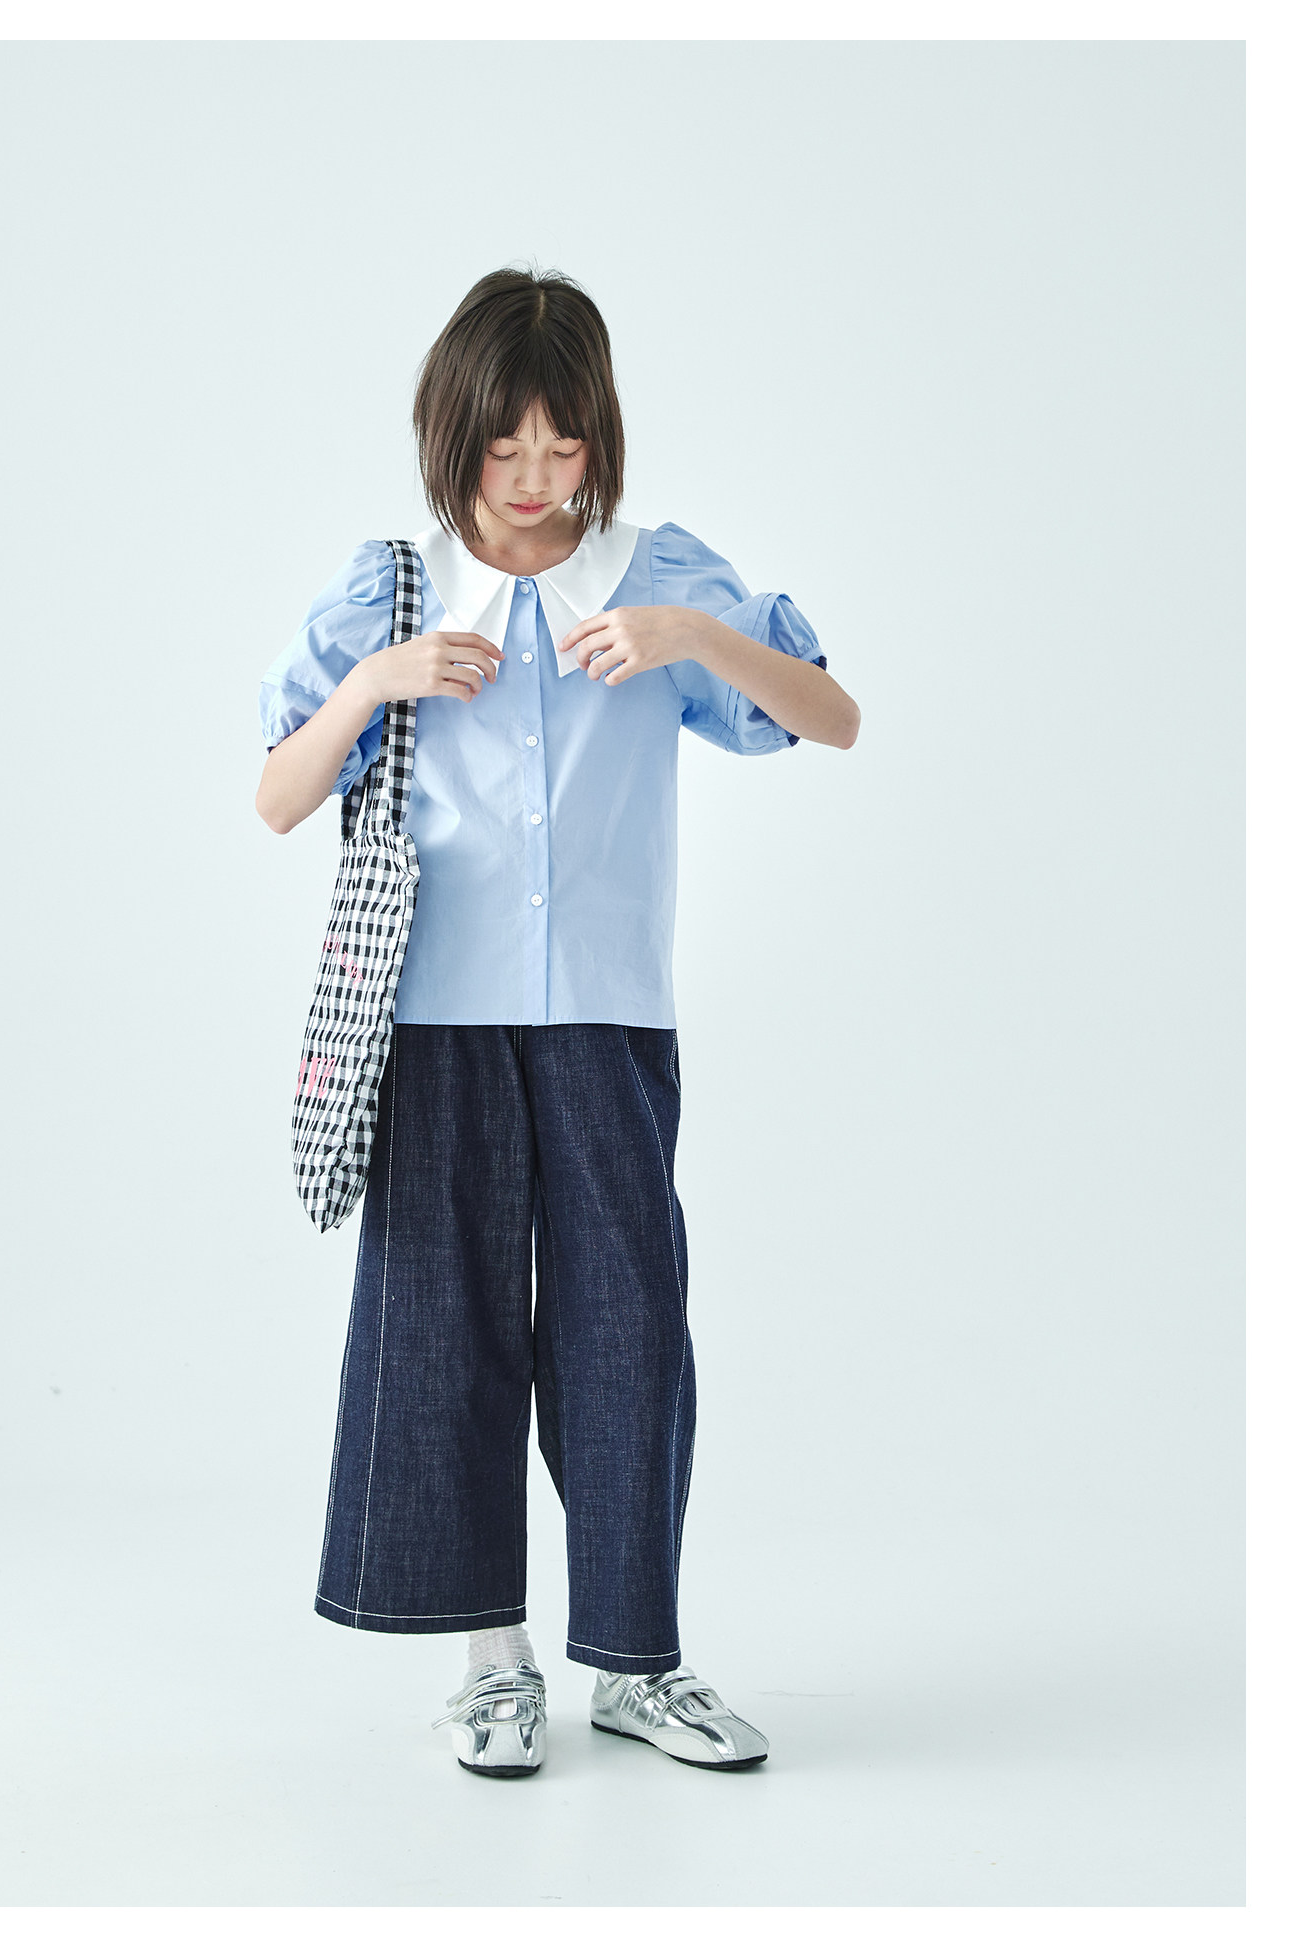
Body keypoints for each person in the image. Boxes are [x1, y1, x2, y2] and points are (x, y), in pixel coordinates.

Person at [254, 265, 860, 1779]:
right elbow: (276, 795)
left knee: (628, 1328)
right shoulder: (392, 589)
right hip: (432, 1025)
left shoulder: (657, 577)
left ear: (600, 436)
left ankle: (639, 1665)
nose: (533, 479)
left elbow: (833, 715)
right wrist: (379, 682)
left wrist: (690, 640)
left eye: (563, 444)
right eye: (502, 445)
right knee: (446, 1330)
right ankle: (492, 1667)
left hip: (608, 1020)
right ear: (449, 434)